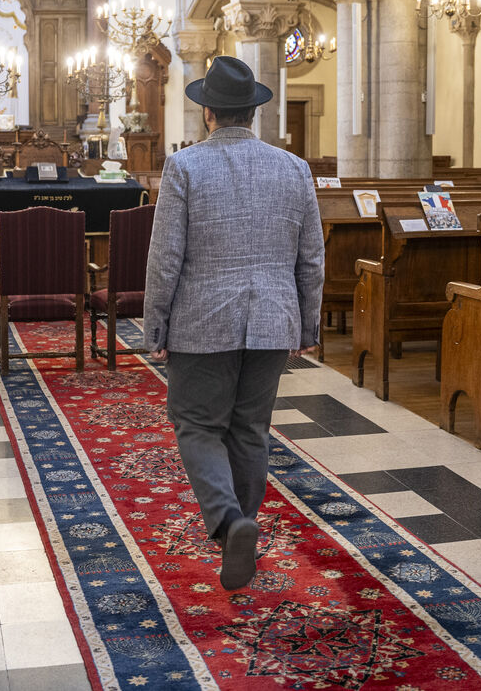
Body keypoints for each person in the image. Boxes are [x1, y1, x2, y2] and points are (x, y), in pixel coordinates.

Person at [143, 55, 325, 590]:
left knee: (198, 424)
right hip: (274, 318)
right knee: (250, 429)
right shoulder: (294, 168)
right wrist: (307, 325)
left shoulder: (184, 167)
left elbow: (165, 258)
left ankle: (229, 522)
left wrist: (156, 325)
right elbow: (312, 258)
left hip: (202, 320)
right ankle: (241, 528)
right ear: (253, 112)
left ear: (208, 113)